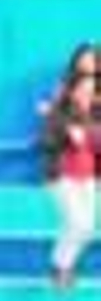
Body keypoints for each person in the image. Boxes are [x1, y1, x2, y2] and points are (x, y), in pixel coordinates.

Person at [42, 69, 100, 289]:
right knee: (77, 222)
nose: (88, 93)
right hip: (63, 177)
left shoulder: (95, 114)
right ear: (72, 91)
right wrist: (66, 136)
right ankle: (59, 268)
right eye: (83, 88)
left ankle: (64, 265)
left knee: (88, 228)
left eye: (92, 89)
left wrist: (90, 135)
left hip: (89, 177)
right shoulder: (58, 113)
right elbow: (46, 144)